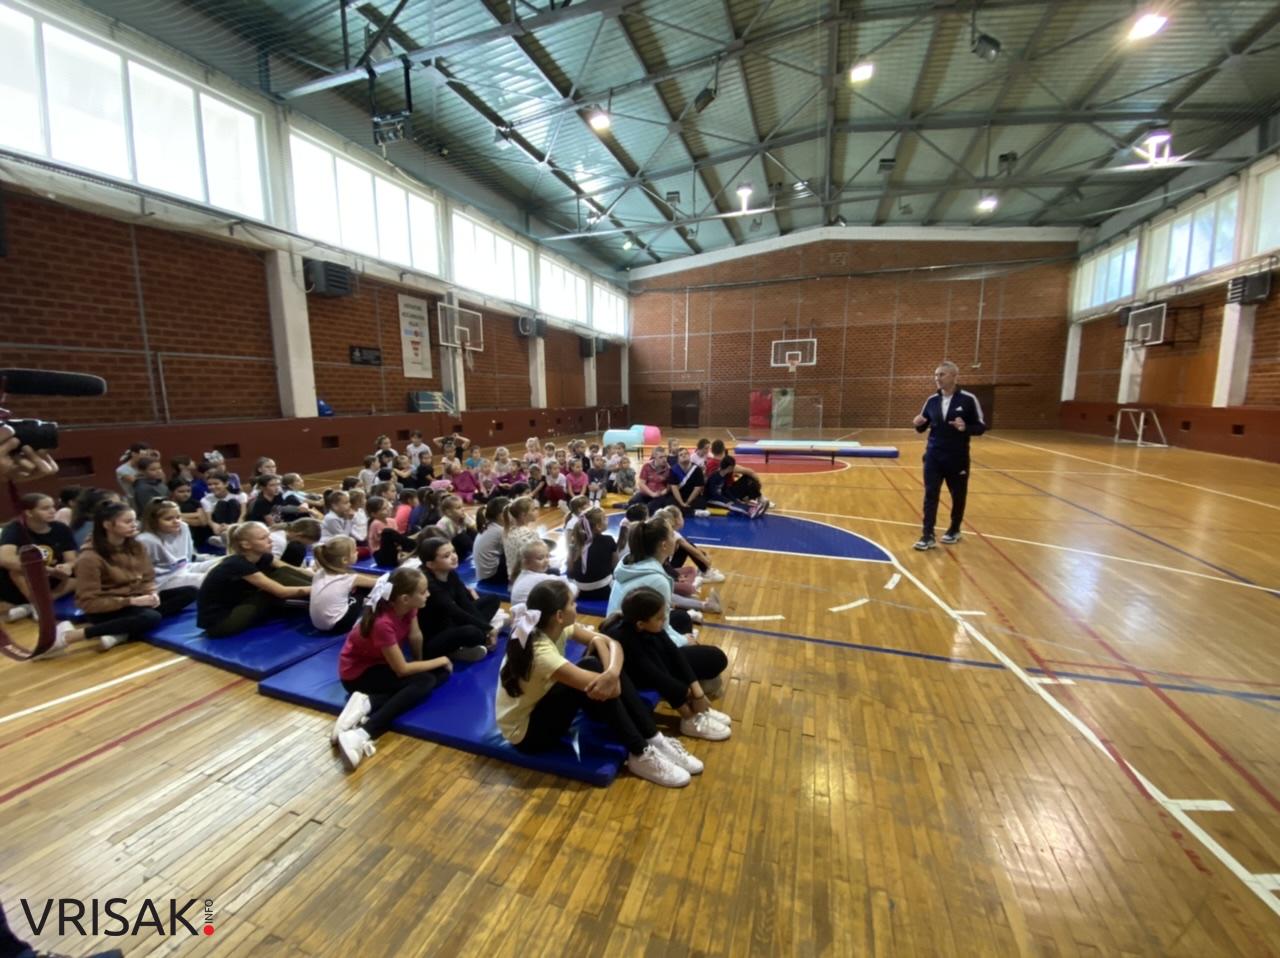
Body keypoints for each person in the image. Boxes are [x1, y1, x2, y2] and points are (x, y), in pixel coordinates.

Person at [495, 580, 697, 786]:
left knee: (598, 664)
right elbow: (613, 688)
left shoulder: (553, 627)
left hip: (541, 707)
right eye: (572, 603)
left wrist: (610, 671)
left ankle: (654, 739)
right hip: (528, 735)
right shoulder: (542, 654)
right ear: (559, 615)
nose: (576, 605)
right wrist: (610, 672)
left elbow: (610, 642)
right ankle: (640, 752)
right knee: (594, 667)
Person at [331, 567, 453, 771]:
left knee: (436, 675)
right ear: (405, 598)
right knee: (426, 681)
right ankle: (362, 733)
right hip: (357, 676)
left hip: (380, 665)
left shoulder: (408, 608)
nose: (428, 594)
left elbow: (415, 636)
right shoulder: (383, 623)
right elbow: (403, 670)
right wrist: (439, 660)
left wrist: (422, 664)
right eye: (423, 592)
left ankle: (368, 702)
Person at [46, 501, 196, 653]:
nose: (134, 525)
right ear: (108, 525)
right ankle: (72, 636)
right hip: (106, 608)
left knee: (190, 592)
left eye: (134, 520)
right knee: (151, 617)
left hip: (134, 600)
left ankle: (121, 632)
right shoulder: (89, 558)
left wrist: (152, 592)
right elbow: (88, 603)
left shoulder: (136, 546)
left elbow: (148, 576)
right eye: (128, 521)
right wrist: (130, 601)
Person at [601, 586, 730, 740]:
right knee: (660, 665)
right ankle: (689, 719)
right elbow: (657, 677)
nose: (664, 620)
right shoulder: (626, 638)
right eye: (660, 618)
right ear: (641, 624)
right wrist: (689, 696)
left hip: (644, 665)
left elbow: (675, 654)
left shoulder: (645, 626)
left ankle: (695, 711)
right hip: (627, 679)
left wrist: (698, 692)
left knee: (666, 652)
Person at [912, 360, 987, 550]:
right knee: (930, 494)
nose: (937, 378)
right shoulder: (931, 400)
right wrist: (917, 423)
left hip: (957, 457)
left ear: (954, 376)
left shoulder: (968, 399)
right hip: (933, 456)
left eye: (941, 375)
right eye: (936, 375)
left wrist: (965, 428)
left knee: (958, 495)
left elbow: (981, 427)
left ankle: (954, 529)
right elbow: (922, 427)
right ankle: (927, 534)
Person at [196, 522, 312, 637]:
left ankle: (323, 596)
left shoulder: (263, 556)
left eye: (268, 536)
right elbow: (281, 592)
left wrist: (319, 576)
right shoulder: (237, 563)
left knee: (282, 573)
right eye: (263, 538)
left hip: (238, 604)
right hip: (219, 623)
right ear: (246, 545)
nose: (270, 540)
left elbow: (290, 569)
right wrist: (316, 588)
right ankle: (322, 596)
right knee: (271, 590)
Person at [607, 516, 697, 647]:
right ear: (664, 545)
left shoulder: (629, 562)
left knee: (682, 617)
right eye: (672, 535)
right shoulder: (658, 580)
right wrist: (683, 640)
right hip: (631, 643)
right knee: (716, 657)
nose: (676, 538)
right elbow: (661, 628)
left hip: (617, 632)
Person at [416, 537, 505, 662]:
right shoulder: (430, 585)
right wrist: (487, 629)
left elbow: (465, 604)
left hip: (453, 622)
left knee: (493, 599)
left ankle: (479, 636)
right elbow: (455, 611)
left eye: (453, 551)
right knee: (474, 632)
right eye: (446, 556)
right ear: (430, 564)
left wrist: (486, 628)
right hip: (436, 635)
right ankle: (454, 652)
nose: (454, 557)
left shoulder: (451, 573)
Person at [0, 493, 78, 619]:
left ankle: (34, 605)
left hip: (54, 577)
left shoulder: (61, 528)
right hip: (28, 579)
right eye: (45, 508)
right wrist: (46, 570)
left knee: (81, 576)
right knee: (15, 572)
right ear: (29, 513)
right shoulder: (15, 529)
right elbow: (4, 559)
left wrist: (67, 566)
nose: (52, 511)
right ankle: (38, 606)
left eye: (53, 507)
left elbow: (72, 559)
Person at [137, 498, 223, 592]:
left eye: (178, 517)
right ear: (154, 521)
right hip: (165, 579)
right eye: (168, 519)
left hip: (185, 568)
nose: (176, 521)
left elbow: (189, 558)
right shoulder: (146, 539)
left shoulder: (183, 527)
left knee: (228, 561)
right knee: (212, 579)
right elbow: (142, 572)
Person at [309, 536, 379, 633]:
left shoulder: (319, 572)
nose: (357, 552)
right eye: (355, 551)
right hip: (338, 625)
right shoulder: (349, 578)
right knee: (364, 589)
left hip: (317, 624)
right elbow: (379, 583)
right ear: (345, 560)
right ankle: (371, 618)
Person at [509, 539, 577, 607]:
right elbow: (573, 589)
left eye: (547, 556)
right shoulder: (539, 578)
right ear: (526, 562)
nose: (546, 561)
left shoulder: (521, 575)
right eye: (540, 558)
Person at [473, 496, 511, 586]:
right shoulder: (499, 531)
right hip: (491, 576)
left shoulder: (489, 525)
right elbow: (513, 549)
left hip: (483, 573)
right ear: (501, 515)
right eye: (510, 512)